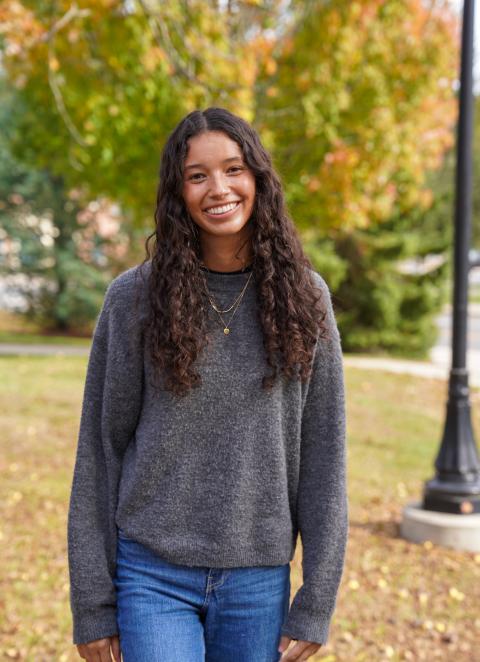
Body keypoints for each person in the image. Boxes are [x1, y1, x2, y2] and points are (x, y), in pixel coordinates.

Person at [67, 107, 348, 662]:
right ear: (178, 191)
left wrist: (316, 600)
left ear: (258, 180)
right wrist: (93, 603)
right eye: (197, 175)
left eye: (234, 169)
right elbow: (100, 452)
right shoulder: (134, 299)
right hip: (151, 572)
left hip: (258, 579)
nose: (218, 188)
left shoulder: (306, 301)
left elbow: (324, 458)